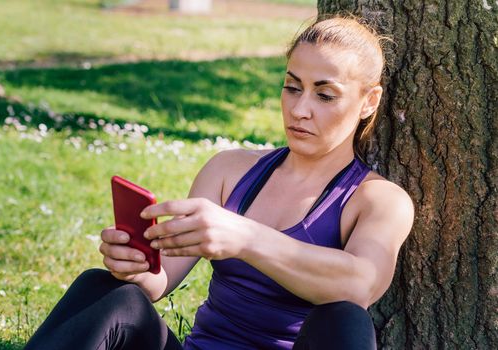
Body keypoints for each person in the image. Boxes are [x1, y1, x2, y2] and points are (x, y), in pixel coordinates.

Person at [25, 15, 414, 350]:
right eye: (292, 87)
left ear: (368, 101)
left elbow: (359, 284)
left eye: (325, 95)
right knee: (104, 288)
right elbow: (160, 280)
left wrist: (246, 238)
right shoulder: (230, 170)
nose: (299, 109)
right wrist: (135, 266)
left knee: (344, 318)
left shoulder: (379, 200)